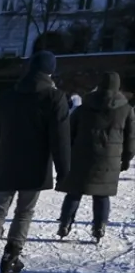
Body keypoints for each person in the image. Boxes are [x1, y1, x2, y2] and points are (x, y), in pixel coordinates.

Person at [0, 51, 70, 273]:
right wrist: (64, 171)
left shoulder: (7, 96)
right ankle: (11, 257)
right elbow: (61, 139)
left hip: (6, 163)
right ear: (51, 71)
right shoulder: (55, 98)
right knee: (24, 212)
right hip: (35, 165)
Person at [56, 72, 134, 244]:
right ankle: (99, 227)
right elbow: (130, 137)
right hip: (109, 159)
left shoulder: (85, 106)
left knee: (74, 192)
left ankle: (65, 223)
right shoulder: (126, 110)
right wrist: (127, 157)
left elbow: (70, 130)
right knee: (101, 194)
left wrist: (68, 151)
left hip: (82, 154)